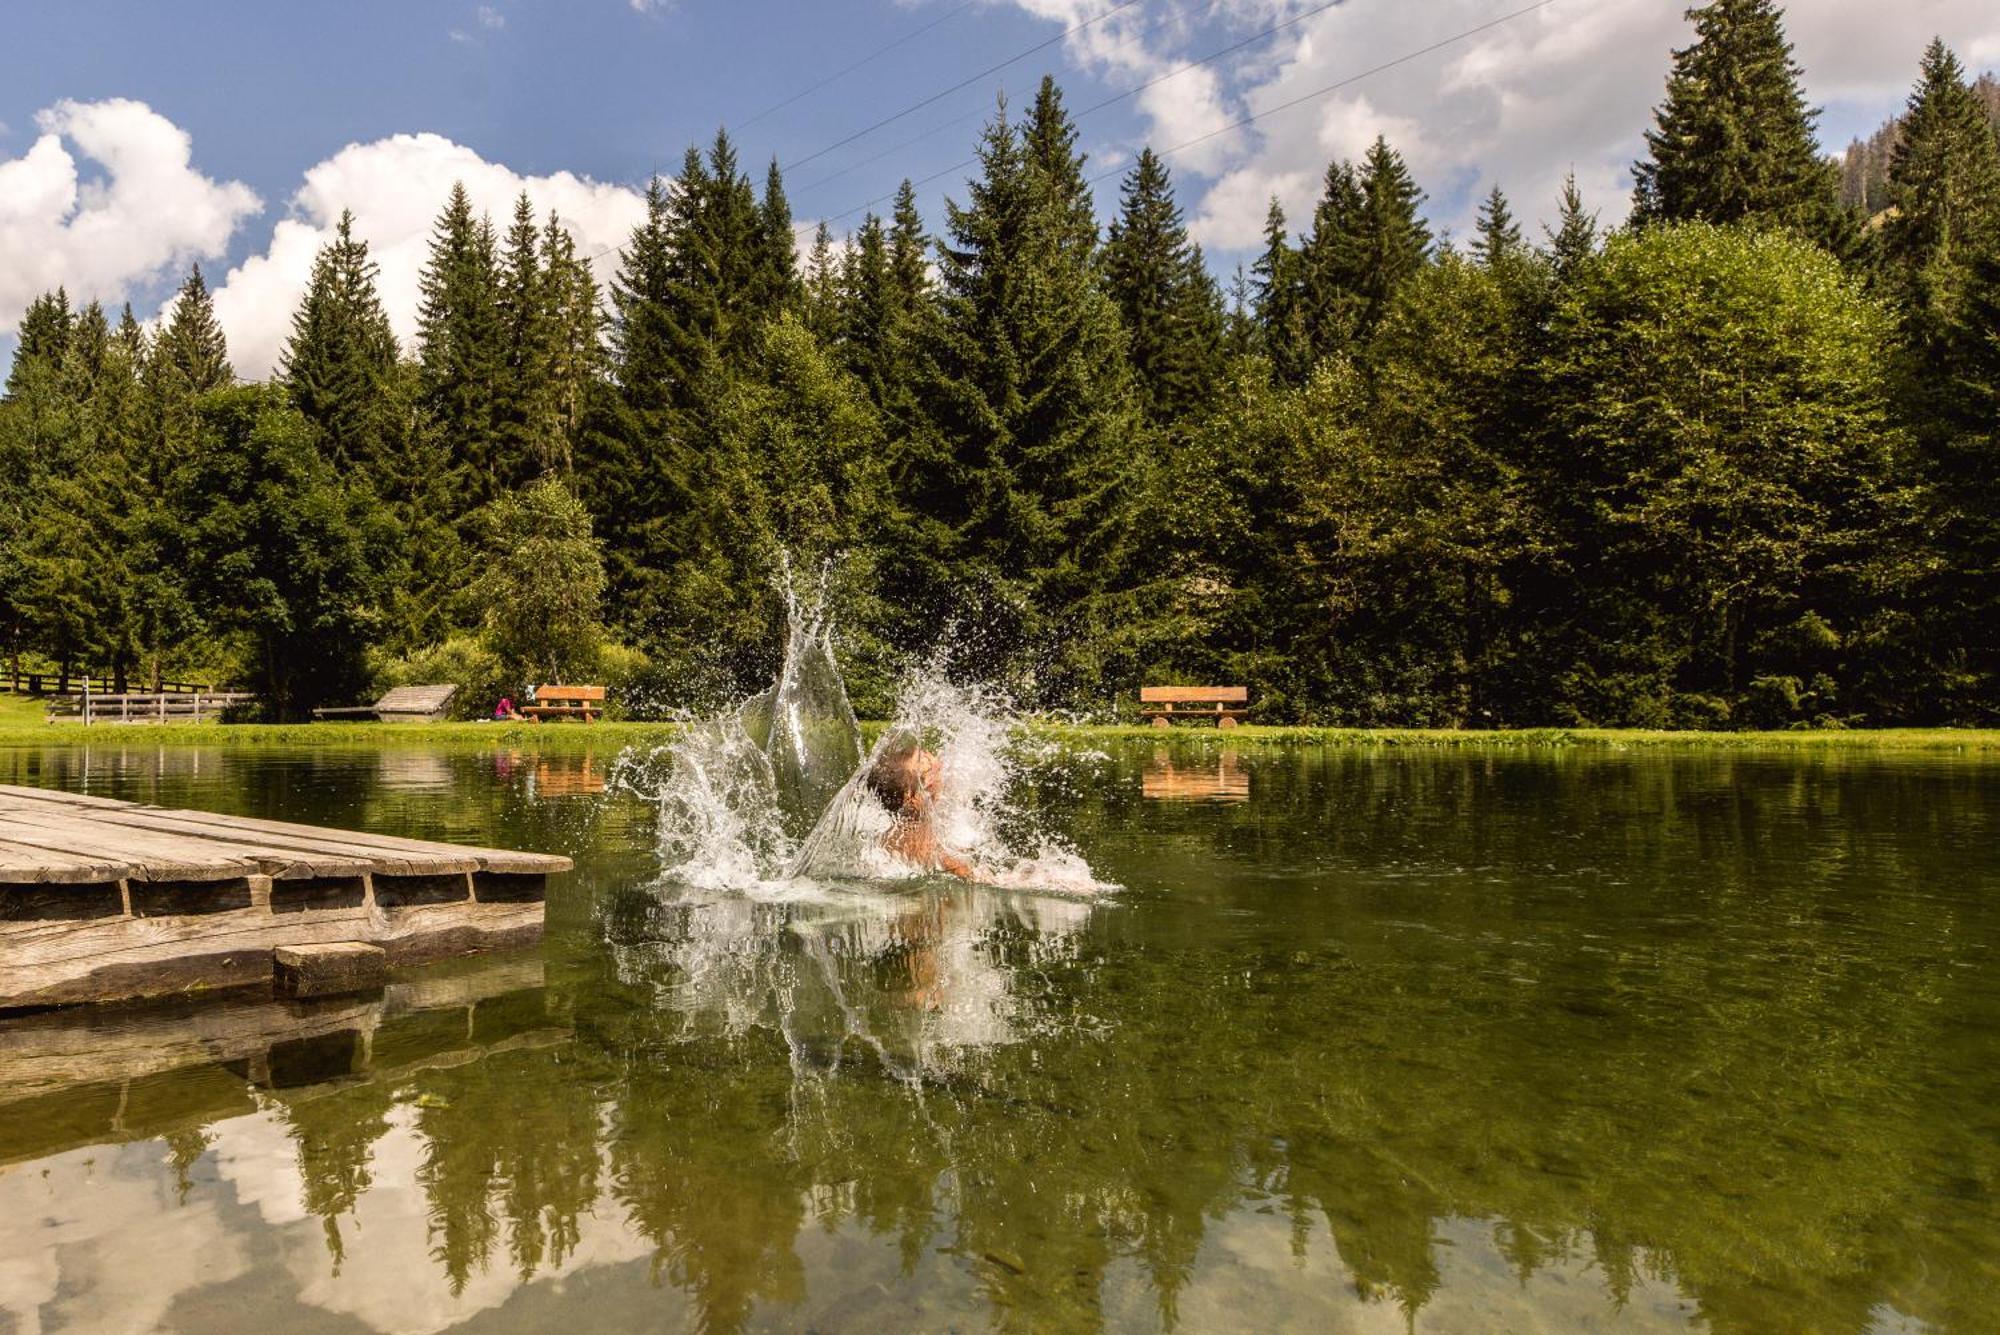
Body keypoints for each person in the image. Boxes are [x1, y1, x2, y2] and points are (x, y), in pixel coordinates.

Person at [865, 743, 977, 880]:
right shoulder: (923, 839)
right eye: (928, 764)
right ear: (912, 798)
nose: (938, 764)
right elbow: (969, 874)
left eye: (927, 753)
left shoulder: (897, 833)